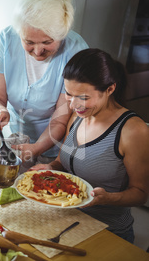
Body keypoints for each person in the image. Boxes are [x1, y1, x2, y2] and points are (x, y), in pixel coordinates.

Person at [31, 48, 149, 243]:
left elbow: (140, 194)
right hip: (67, 222)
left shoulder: (133, 130)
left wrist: (107, 198)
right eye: (69, 94)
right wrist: (50, 168)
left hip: (109, 231)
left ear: (110, 89)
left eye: (83, 97)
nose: (73, 105)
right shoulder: (78, 117)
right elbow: (63, 160)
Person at [0, 0, 88, 172]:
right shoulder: (7, 39)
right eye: (29, 42)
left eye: (47, 42)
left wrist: (37, 148)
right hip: (16, 142)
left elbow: (60, 119)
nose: (38, 51)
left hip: (56, 148)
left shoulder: (75, 50)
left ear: (62, 35)